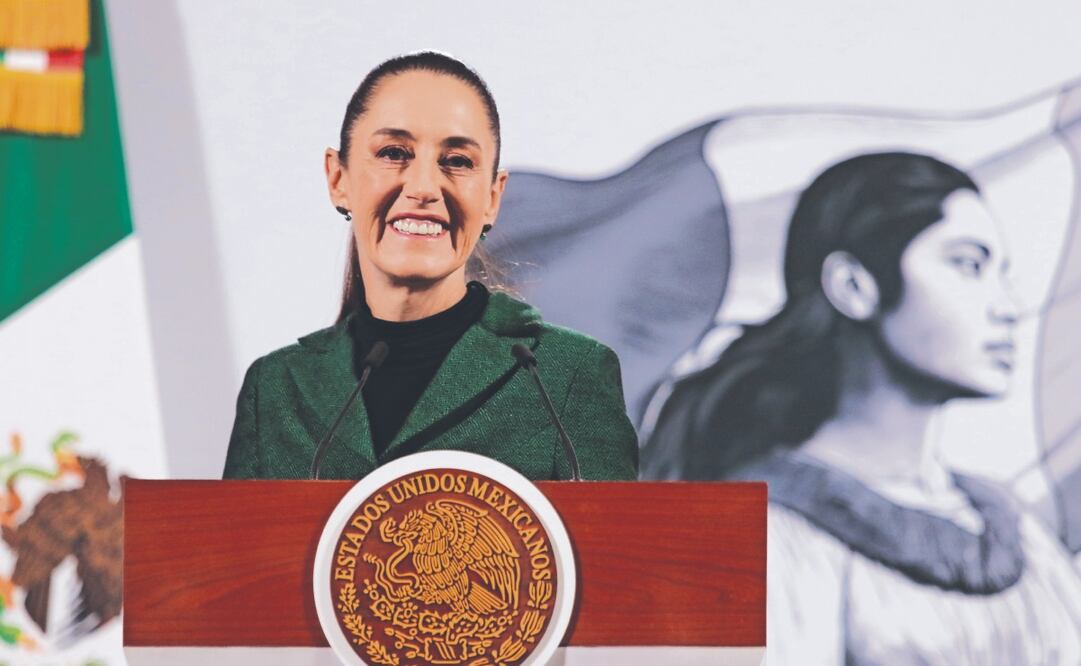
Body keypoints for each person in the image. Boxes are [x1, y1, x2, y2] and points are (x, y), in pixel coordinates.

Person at [642, 152, 1081, 663]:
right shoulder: (757, 538)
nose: (1006, 307)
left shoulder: (1016, 531)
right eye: (967, 265)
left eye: (1001, 273)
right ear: (853, 286)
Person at [222, 52, 637, 481]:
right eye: (394, 152)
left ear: (493, 197)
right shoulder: (275, 389)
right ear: (338, 179)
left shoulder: (565, 376)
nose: (423, 187)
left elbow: (610, 547)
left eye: (457, 161)